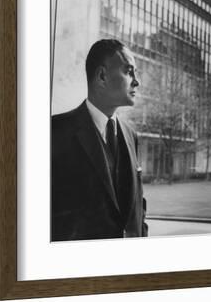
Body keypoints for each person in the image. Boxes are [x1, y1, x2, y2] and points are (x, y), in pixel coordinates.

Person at [51, 39, 148, 241]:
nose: (136, 81)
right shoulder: (55, 132)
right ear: (102, 76)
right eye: (129, 71)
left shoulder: (131, 135)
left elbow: (138, 207)